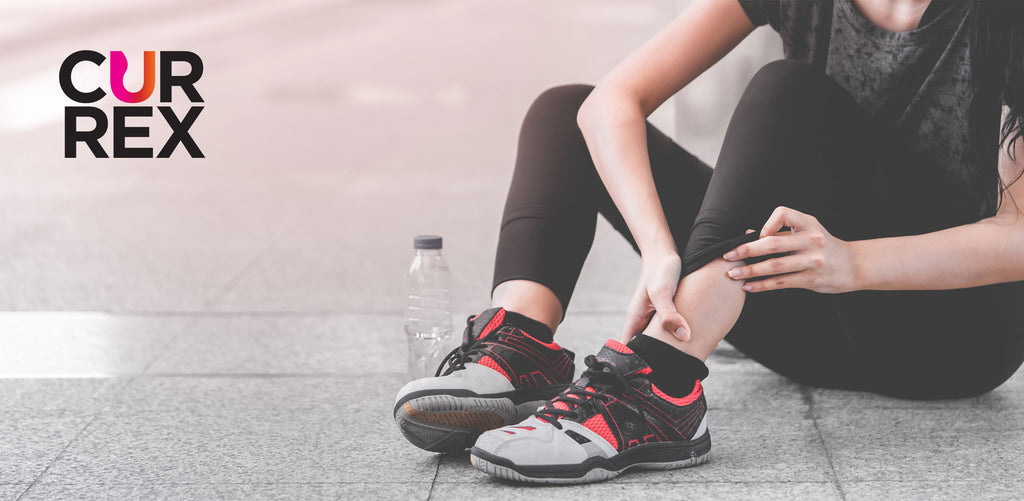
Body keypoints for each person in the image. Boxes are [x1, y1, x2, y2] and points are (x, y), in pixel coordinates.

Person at [393, 0, 1024, 484]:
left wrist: (854, 261)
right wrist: (662, 250)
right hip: (806, 322)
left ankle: (661, 388)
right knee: (566, 110)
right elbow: (611, 103)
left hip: (950, 339)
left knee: (789, 90)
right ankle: (521, 350)